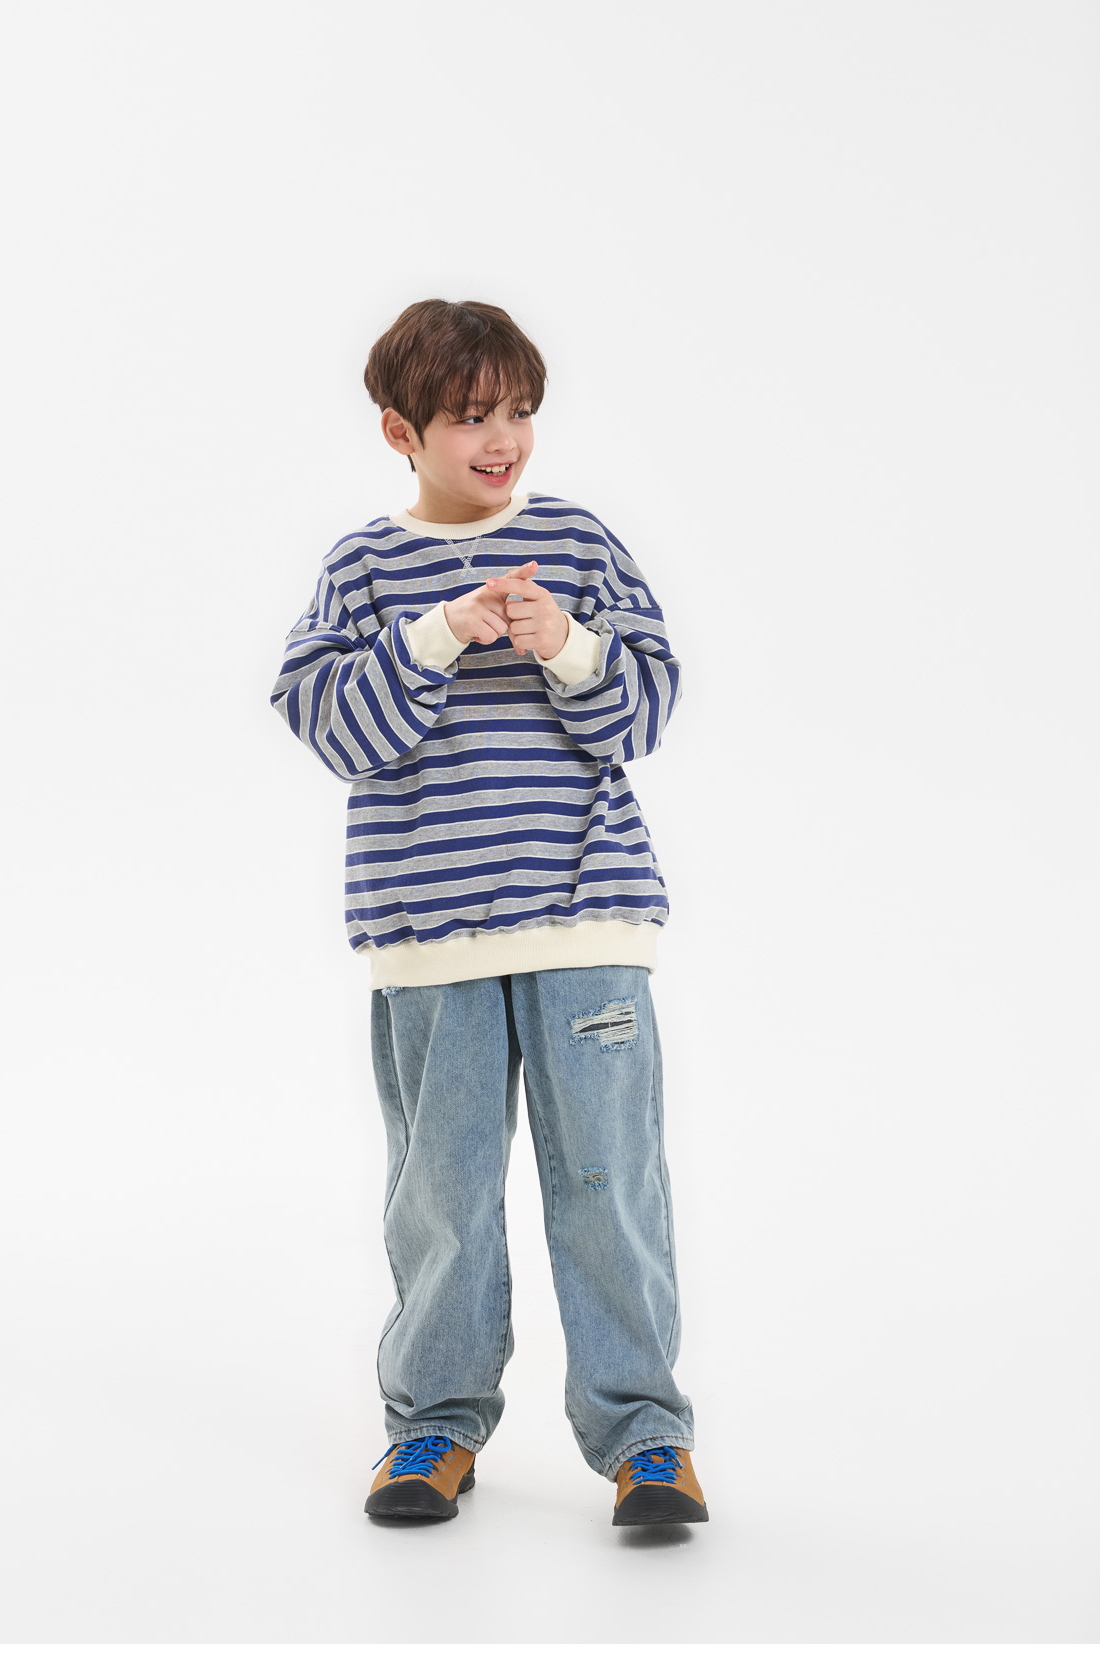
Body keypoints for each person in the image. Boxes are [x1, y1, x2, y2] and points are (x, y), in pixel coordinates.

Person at [269, 298, 707, 1528]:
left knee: (609, 1186)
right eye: (470, 417)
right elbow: (334, 731)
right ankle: (434, 1425)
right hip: (429, 937)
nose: (502, 437)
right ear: (401, 431)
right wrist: (431, 638)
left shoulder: (578, 543)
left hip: (587, 922)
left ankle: (647, 1435)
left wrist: (565, 641)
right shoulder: (364, 568)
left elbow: (643, 713)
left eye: (518, 410)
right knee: (444, 1197)